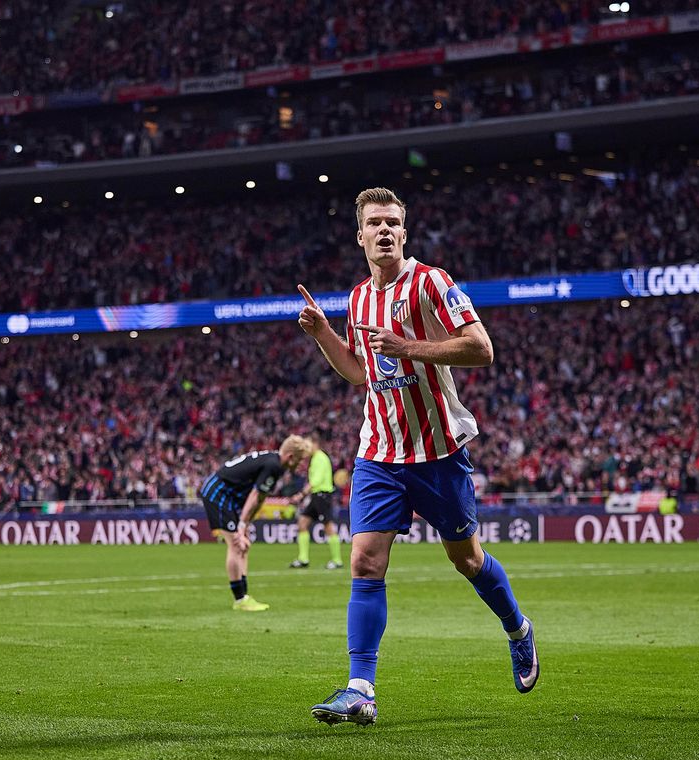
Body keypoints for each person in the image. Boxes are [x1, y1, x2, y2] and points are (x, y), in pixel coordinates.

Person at [298, 186, 538, 726]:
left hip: (435, 453)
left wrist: (410, 347)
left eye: (392, 222)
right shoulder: (359, 299)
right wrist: (323, 336)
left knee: (467, 560)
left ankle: (518, 629)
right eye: (374, 224)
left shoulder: (432, 283)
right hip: (378, 452)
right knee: (364, 559)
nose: (384, 231)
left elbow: (482, 349)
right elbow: (361, 372)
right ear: (359, 236)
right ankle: (361, 689)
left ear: (404, 231)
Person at [199, 436, 314, 611]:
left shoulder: (275, 463)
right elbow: (254, 497)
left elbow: (260, 499)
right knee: (236, 545)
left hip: (229, 495)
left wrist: (245, 525)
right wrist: (241, 527)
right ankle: (240, 599)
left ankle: (244, 595)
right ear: (290, 456)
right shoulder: (274, 466)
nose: (299, 466)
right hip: (219, 493)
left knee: (244, 546)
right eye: (299, 461)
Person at [288, 432, 344, 570]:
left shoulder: (320, 458)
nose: (306, 448)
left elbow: (315, 481)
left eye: (308, 445)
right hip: (316, 496)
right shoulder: (316, 458)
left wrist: (301, 495)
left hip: (322, 495)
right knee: (302, 523)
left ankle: (337, 560)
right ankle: (303, 559)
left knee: (328, 526)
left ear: (315, 444)